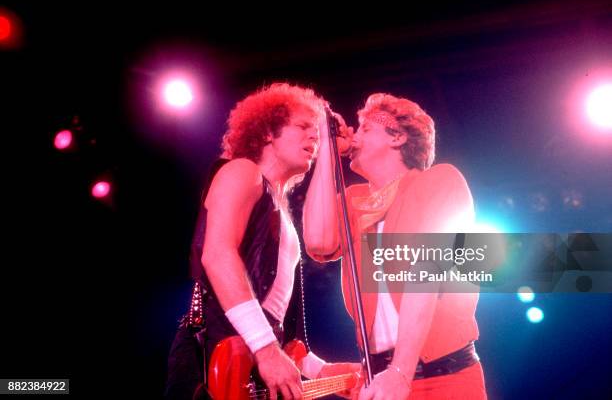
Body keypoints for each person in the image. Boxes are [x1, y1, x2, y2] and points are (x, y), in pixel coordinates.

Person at [165, 83, 359, 400]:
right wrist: (267, 351)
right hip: (214, 362)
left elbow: (273, 319)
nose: (314, 137)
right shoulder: (242, 172)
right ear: (268, 131)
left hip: (249, 360)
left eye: (316, 132)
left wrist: (319, 370)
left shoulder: (281, 212)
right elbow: (217, 256)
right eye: (302, 127)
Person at [303, 93, 486, 399]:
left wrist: (400, 372)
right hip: (382, 379)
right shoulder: (352, 201)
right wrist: (325, 152)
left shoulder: (439, 182)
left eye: (365, 128)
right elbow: (319, 241)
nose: (353, 135)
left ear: (398, 137)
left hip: (446, 379)